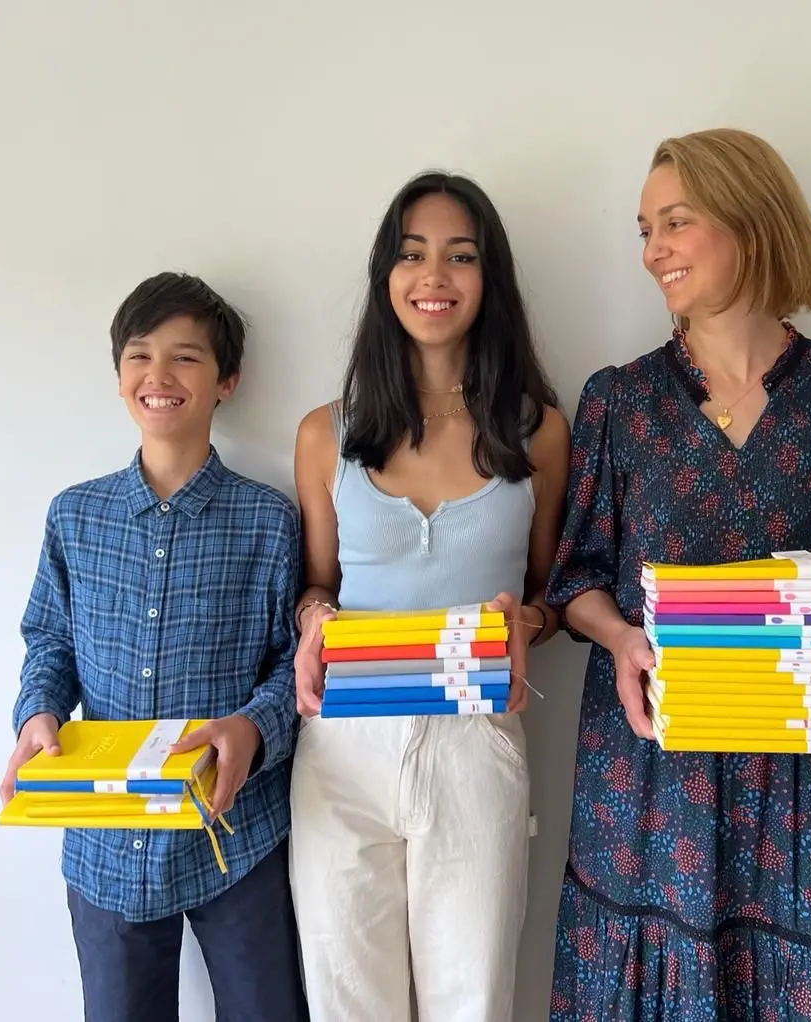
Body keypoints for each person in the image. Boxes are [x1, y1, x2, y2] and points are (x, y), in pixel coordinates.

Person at [545, 128, 811, 1022]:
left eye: (675, 221)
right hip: (651, 776)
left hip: (796, 782)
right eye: (642, 229)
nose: (652, 250)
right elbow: (574, 579)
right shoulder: (617, 400)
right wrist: (623, 636)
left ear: (749, 220)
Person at [289, 170, 570, 1021]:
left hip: (474, 740)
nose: (433, 277)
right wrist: (312, 622)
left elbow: (551, 594)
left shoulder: (538, 431)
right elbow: (317, 584)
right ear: (386, 277)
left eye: (459, 256)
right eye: (412, 256)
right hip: (341, 748)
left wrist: (526, 621)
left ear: (489, 280)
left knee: (471, 1001)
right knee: (347, 1002)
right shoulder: (323, 433)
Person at [0, 272, 309, 1022]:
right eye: (139, 356)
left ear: (226, 381)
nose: (159, 376)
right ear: (118, 377)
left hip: (235, 836)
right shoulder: (74, 516)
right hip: (103, 839)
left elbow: (290, 667)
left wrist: (253, 728)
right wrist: (37, 714)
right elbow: (49, 640)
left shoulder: (269, 521)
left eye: (186, 358)